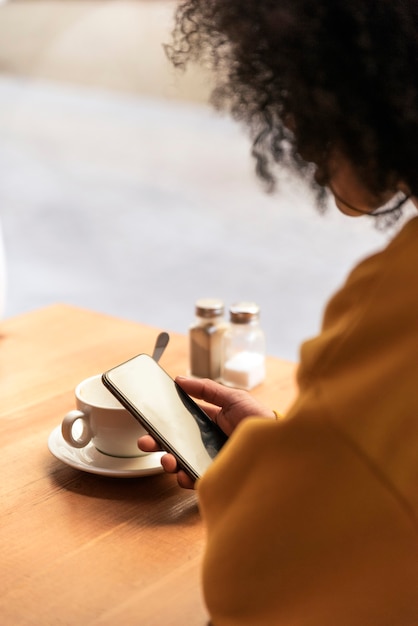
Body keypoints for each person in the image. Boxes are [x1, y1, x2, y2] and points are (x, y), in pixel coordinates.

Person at [139, 1, 418, 624]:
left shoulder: (399, 299)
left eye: (291, 91)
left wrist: (261, 482)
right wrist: (296, 445)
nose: (289, 126)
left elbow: (260, 588)